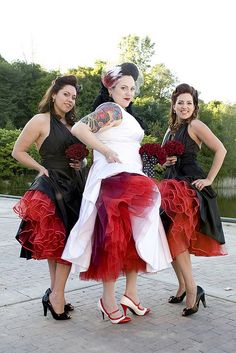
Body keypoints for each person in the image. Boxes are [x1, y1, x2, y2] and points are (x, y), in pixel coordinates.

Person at [62, 62, 172, 324]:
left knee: (134, 238)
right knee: (114, 240)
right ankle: (108, 299)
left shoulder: (124, 113)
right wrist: (105, 150)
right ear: (110, 89)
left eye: (132, 88)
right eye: (123, 87)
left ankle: (130, 295)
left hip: (132, 179)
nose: (129, 92)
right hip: (114, 182)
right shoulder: (111, 109)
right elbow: (79, 128)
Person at [12, 75, 86, 320]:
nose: (70, 100)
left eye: (73, 97)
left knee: (63, 244)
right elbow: (18, 151)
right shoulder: (40, 120)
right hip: (52, 184)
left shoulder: (73, 125)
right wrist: (39, 168)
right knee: (60, 244)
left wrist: (82, 161)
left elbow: (84, 155)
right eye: (66, 94)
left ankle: (56, 293)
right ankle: (57, 296)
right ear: (54, 94)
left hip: (74, 185)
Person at [158, 83, 227, 316]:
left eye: (189, 102)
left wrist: (209, 179)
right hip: (169, 185)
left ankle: (192, 289)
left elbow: (221, 150)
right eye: (181, 102)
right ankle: (181, 286)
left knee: (177, 239)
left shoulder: (196, 125)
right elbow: (162, 159)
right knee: (168, 240)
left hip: (186, 188)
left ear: (194, 106)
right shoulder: (170, 130)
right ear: (174, 106)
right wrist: (165, 162)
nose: (185, 106)